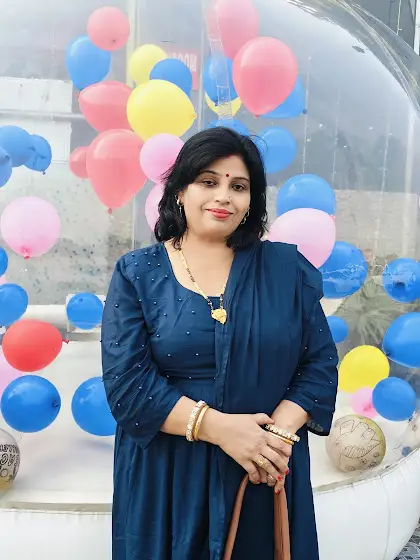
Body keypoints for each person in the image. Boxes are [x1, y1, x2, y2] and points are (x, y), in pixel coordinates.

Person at [101, 127, 338, 560]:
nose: (223, 196)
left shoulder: (286, 270)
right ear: (179, 191)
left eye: (239, 186)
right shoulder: (137, 273)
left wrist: (277, 437)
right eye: (208, 181)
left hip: (262, 470)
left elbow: (319, 363)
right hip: (167, 477)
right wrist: (220, 429)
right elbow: (127, 385)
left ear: (251, 201)